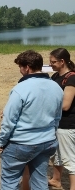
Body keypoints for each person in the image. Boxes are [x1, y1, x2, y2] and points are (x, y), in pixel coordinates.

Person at [0, 50, 63, 189]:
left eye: (20, 67)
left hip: (22, 143)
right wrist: (51, 133)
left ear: (27, 67)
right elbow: (57, 117)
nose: (20, 71)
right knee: (39, 180)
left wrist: (2, 141)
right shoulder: (56, 86)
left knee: (9, 182)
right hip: (47, 141)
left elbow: (9, 121)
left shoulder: (20, 89)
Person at [48, 48, 75, 190]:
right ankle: (56, 180)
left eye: (53, 62)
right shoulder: (55, 77)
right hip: (57, 123)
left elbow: (65, 105)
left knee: (69, 159)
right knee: (56, 155)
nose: (50, 65)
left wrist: (46, 109)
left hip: (68, 124)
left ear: (62, 61)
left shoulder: (72, 78)